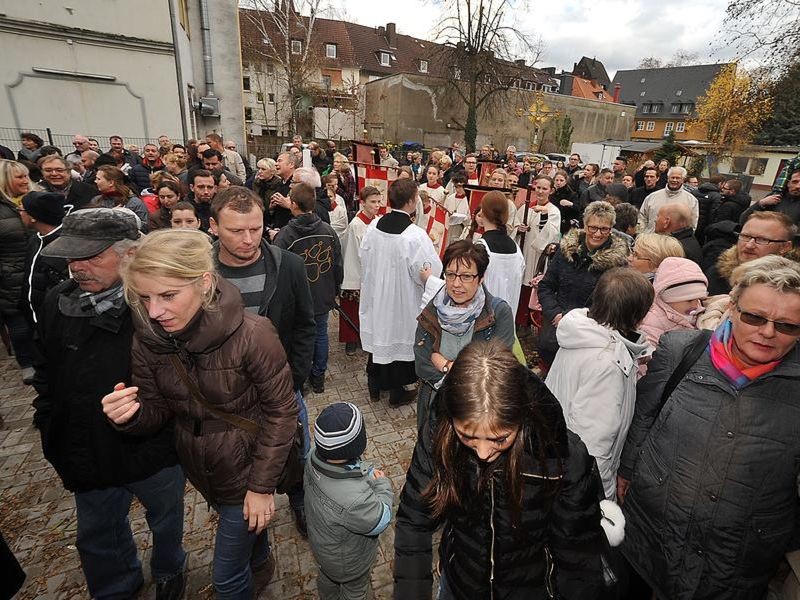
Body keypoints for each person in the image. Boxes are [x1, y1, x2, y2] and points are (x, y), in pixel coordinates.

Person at [101, 228, 298, 598]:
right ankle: (261, 563)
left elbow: (282, 412)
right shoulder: (147, 337)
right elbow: (158, 410)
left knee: (225, 578)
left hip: (250, 466)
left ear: (205, 283)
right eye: (144, 298)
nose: (155, 311)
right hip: (203, 466)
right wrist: (130, 416)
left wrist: (260, 487)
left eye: (168, 295)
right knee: (246, 532)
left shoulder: (254, 335)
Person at [617, 255, 800, 600]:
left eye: (788, 325)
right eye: (755, 317)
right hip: (651, 536)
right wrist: (627, 471)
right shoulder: (680, 351)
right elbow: (645, 414)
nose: (768, 332)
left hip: (734, 563)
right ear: (732, 307)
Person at [33, 209, 186, 600]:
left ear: (130, 254)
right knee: (98, 533)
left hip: (154, 450)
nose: (77, 268)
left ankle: (170, 569)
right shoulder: (56, 302)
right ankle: (117, 586)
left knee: (166, 521)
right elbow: (46, 372)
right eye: (72, 257)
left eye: (91, 257)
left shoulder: (158, 309)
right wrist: (51, 427)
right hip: (86, 450)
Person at [394, 340, 608, 599]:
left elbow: (579, 555)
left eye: (499, 438)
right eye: (468, 436)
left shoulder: (560, 456)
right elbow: (414, 520)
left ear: (522, 415)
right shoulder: (438, 436)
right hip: (460, 585)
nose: (483, 453)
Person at [209, 186, 316, 537]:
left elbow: (305, 325)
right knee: (239, 465)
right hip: (227, 399)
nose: (248, 239)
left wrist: (295, 378)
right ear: (213, 227)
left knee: (297, 456)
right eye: (236, 231)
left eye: (255, 229)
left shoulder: (290, 266)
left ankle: (301, 502)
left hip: (283, 392)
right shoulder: (199, 273)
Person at [545, 268, 654, 499]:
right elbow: (596, 443)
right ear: (635, 315)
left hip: (560, 462)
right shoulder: (607, 363)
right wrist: (602, 500)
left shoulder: (582, 335)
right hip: (582, 482)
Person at [415, 240, 515, 430]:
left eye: (466, 276)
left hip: (476, 413)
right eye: (451, 274)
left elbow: (493, 371)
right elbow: (421, 361)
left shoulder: (497, 313)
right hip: (434, 406)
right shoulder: (434, 306)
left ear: (481, 277)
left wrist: (445, 365)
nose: (456, 284)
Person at [359, 178, 442, 406]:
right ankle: (397, 392)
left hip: (377, 294)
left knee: (380, 336)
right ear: (412, 201)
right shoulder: (415, 235)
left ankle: (374, 384)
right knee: (396, 337)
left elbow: (363, 256)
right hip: (401, 299)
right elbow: (429, 271)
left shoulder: (374, 226)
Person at [304, 402, 393, 600]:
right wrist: (382, 486)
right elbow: (381, 519)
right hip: (349, 564)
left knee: (327, 579)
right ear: (359, 444)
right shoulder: (356, 499)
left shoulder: (311, 458)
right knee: (355, 590)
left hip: (323, 551)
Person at [537, 200, 630, 368]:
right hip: (557, 326)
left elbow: (613, 304)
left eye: (604, 229)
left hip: (591, 333)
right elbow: (546, 286)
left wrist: (577, 321)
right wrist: (555, 314)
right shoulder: (566, 251)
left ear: (611, 229)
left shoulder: (617, 263)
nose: (597, 234)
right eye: (593, 227)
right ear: (584, 225)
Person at [273, 183, 343, 394]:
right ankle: (318, 377)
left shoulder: (285, 235)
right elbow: (337, 264)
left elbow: (278, 270)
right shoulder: (328, 231)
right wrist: (335, 289)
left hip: (297, 299)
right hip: (322, 294)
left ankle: (302, 380)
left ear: (293, 204)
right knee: (320, 334)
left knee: (299, 338)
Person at [0, 160, 34, 383]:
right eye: (19, 177)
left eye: (25, 176)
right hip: (9, 276)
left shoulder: (33, 200)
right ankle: (27, 364)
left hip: (34, 270)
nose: (25, 180)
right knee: (18, 324)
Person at [706, 211, 796, 295]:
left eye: (762, 239)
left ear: (785, 247)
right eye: (745, 236)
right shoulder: (716, 273)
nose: (749, 245)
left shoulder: (791, 289)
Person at [339, 186, 382, 356]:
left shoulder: (378, 221)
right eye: (373, 202)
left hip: (374, 272)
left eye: (379, 202)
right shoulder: (356, 225)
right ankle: (351, 340)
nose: (377, 206)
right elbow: (353, 253)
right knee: (353, 308)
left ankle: (365, 338)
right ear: (362, 203)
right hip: (357, 273)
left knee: (369, 310)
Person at [514, 175, 561, 324]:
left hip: (538, 255)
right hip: (524, 250)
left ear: (551, 191)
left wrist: (544, 216)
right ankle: (516, 318)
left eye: (544, 188)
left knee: (533, 285)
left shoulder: (554, 211)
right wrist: (518, 229)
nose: (540, 191)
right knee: (520, 284)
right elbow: (514, 225)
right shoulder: (525, 207)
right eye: (538, 188)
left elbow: (551, 235)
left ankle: (528, 321)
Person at [19, 191, 69, 324]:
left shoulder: (63, 248)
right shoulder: (35, 239)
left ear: (33, 217)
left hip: (53, 327)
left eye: (22, 209)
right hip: (35, 322)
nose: (19, 213)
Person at [472, 191, 525, 315]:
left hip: (484, 319)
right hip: (508, 320)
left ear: (482, 213)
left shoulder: (481, 247)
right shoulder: (516, 249)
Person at [640, 257, 708, 349]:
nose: (695, 305)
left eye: (698, 299)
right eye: (689, 300)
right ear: (669, 298)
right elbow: (649, 355)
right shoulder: (652, 322)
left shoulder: (701, 312)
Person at [638, 166, 699, 233]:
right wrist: (643, 234)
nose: (674, 180)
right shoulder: (652, 197)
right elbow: (642, 218)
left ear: (683, 180)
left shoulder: (691, 200)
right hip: (650, 240)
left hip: (675, 242)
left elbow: (692, 224)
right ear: (668, 178)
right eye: (672, 177)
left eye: (678, 178)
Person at [322, 172, 348, 239]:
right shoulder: (320, 201)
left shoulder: (340, 200)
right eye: (331, 185)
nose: (335, 187)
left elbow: (343, 221)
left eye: (336, 184)